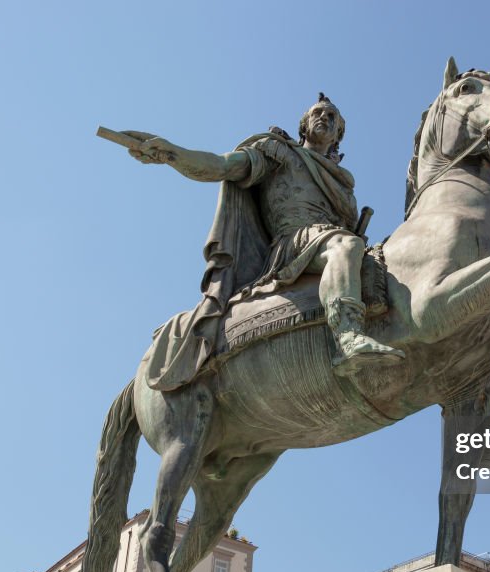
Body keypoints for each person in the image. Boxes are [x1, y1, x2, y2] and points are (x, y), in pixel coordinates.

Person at [125, 94, 404, 386]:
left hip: (330, 242)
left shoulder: (343, 183)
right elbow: (222, 166)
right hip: (294, 243)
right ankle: (348, 336)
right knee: (345, 245)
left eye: (332, 117)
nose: (325, 118)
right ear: (304, 125)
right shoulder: (279, 152)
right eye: (318, 113)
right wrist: (173, 154)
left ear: (337, 136)